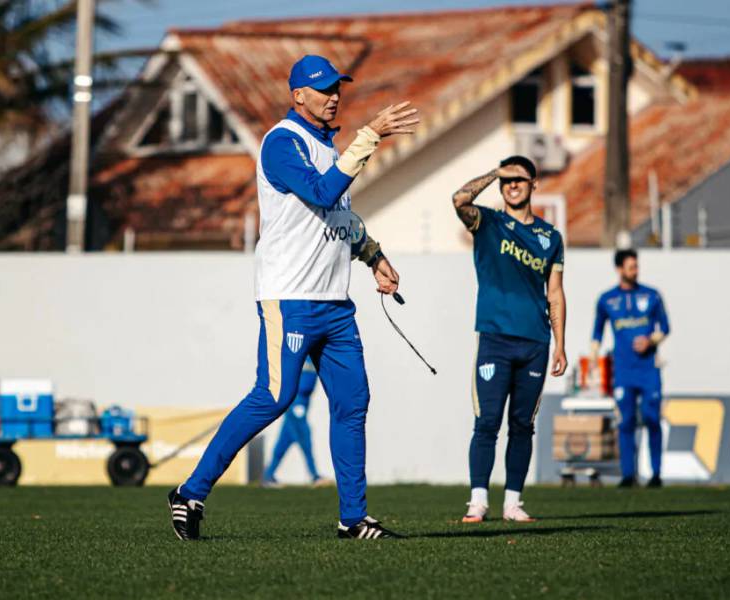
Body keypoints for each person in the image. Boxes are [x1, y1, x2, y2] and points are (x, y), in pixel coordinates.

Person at [167, 55, 419, 540]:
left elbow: (337, 216)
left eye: (337, 87)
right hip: (290, 299)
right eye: (323, 89)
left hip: (335, 304)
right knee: (274, 397)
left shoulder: (328, 145)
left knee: (353, 402)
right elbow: (324, 194)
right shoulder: (282, 143)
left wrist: (372, 255)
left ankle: (353, 519)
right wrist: (371, 135)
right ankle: (190, 492)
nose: (333, 96)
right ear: (297, 95)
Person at [452, 155, 567, 523]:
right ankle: (478, 501)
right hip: (495, 339)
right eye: (506, 181)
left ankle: (513, 502)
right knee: (487, 422)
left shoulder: (551, 237)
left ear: (534, 184)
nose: (512, 185)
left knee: (522, 425)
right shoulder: (488, 222)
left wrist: (560, 343)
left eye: (519, 179)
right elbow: (459, 200)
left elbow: (556, 292)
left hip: (535, 342)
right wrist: (492, 173)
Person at [591, 249, 670, 488]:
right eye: (630, 266)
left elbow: (664, 328)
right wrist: (594, 359)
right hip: (623, 371)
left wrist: (651, 341)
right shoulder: (606, 299)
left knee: (651, 418)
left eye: (636, 266)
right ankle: (628, 474)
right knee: (625, 422)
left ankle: (656, 474)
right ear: (619, 269)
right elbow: (597, 333)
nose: (635, 270)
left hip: (648, 370)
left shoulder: (652, 295)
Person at [262, 358, 329, 487]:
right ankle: (315, 476)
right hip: (296, 404)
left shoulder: (316, 356)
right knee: (305, 438)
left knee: (284, 441)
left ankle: (268, 475)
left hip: (301, 403)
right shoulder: (302, 355)